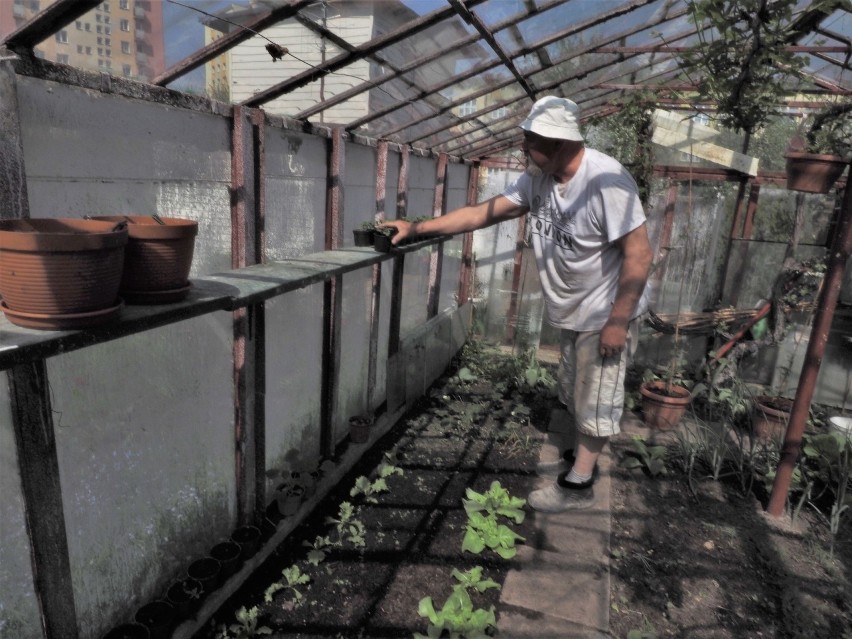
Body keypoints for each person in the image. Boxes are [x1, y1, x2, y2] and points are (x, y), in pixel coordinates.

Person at [380, 96, 653, 513]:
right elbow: (482, 215)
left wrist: (618, 321)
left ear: (558, 141)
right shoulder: (538, 178)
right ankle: (582, 456)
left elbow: (639, 255)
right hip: (575, 307)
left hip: (606, 308)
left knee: (596, 395)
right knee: (576, 388)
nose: (523, 147)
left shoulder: (607, 181)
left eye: (529, 140)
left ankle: (578, 486)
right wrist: (416, 227)